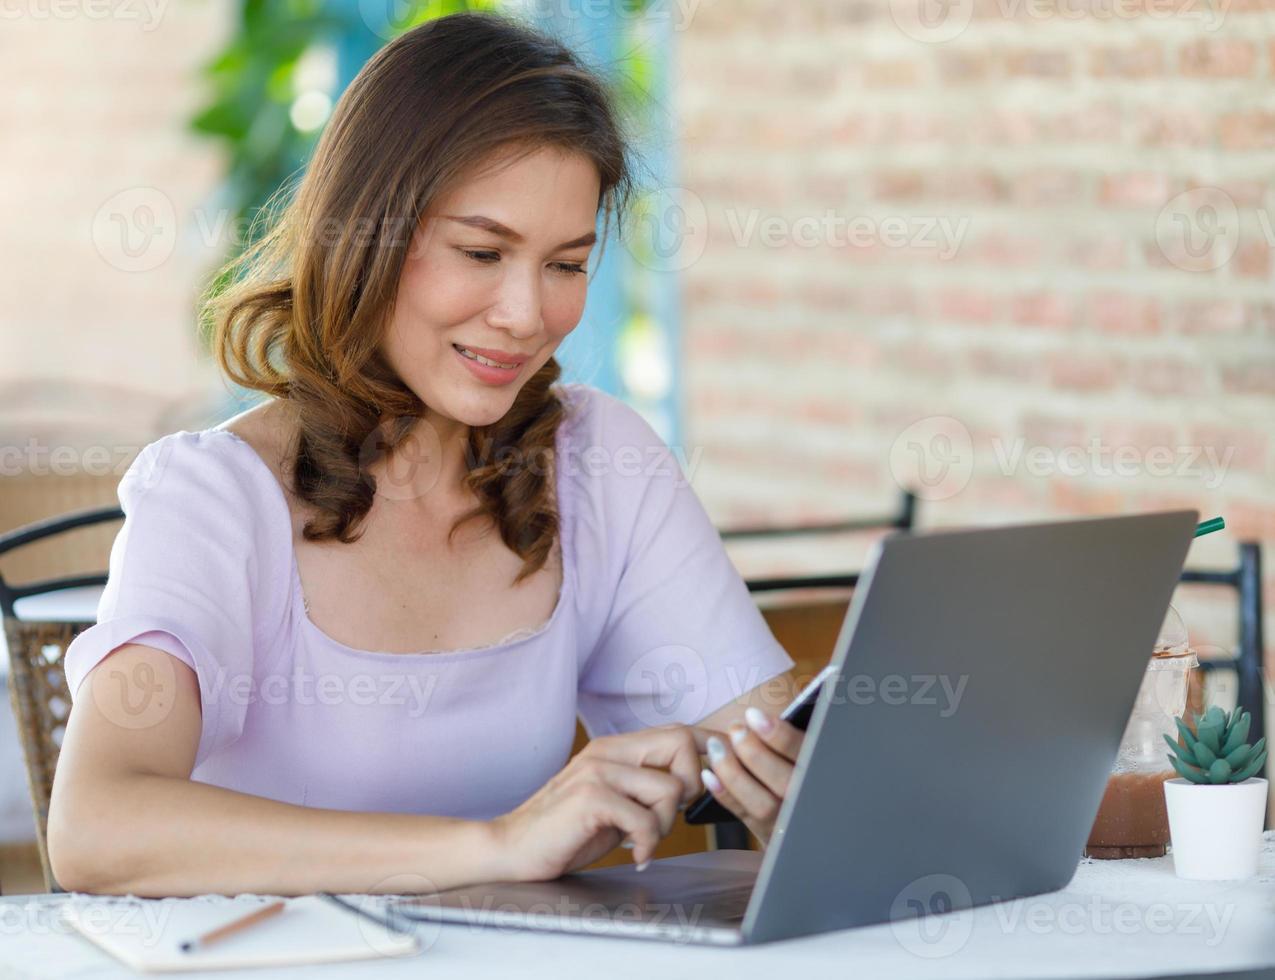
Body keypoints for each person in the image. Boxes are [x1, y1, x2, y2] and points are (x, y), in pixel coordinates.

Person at [48, 12, 800, 898]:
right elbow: (96, 828)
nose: (526, 314)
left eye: (566, 264)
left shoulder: (599, 462)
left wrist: (791, 796)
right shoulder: (217, 496)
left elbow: (766, 742)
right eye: (482, 251)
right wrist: (496, 845)